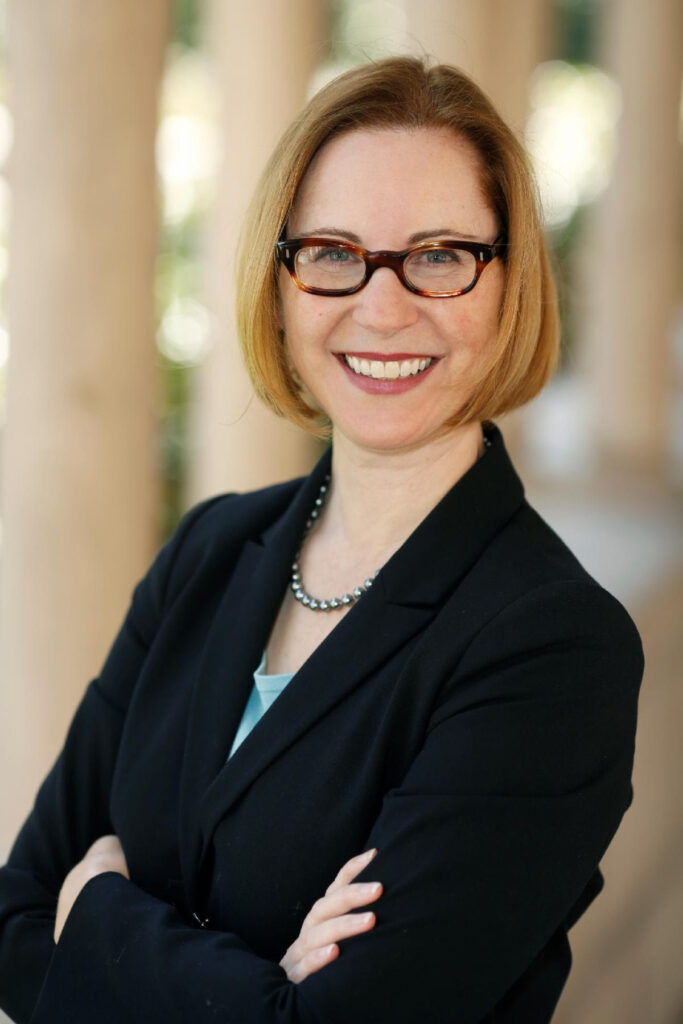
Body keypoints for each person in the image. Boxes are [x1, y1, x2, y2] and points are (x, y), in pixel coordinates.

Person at [0, 56, 643, 1024]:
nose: (381, 307)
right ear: (282, 277)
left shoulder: (552, 646)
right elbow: (11, 923)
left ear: (509, 281)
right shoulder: (210, 551)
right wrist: (262, 985)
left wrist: (95, 911)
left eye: (438, 254)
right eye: (334, 251)